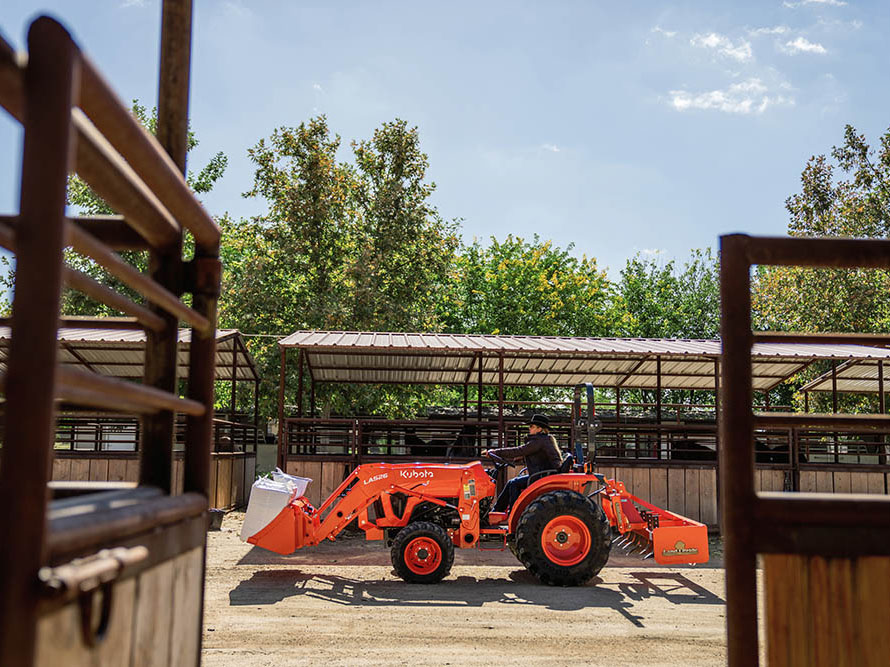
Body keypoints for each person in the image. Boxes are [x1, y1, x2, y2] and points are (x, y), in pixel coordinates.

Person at [483, 414, 563, 513]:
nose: (529, 429)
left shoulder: (539, 441)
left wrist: (496, 452)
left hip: (542, 476)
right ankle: (495, 512)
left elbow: (519, 450)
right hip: (543, 474)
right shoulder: (544, 440)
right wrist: (520, 458)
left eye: (532, 426)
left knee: (514, 484)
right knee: (511, 483)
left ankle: (513, 513)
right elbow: (533, 454)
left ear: (539, 429)